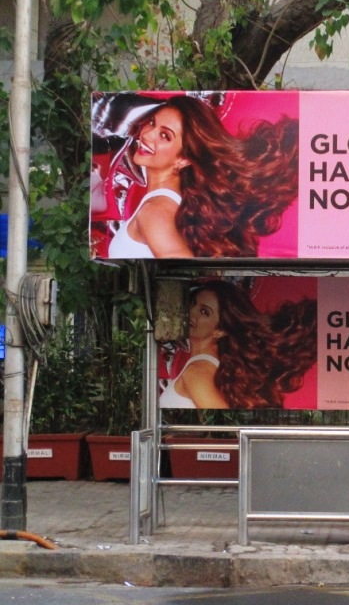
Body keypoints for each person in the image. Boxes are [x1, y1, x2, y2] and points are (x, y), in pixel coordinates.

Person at [102, 94, 299, 258]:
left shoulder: (155, 210)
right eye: (152, 123)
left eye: (165, 136)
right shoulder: (172, 204)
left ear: (183, 159)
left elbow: (181, 265)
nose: (147, 134)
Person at [159, 280, 317, 409]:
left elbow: (222, 425)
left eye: (204, 312)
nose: (191, 312)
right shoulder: (214, 366)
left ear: (220, 331)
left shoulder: (197, 371)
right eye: (193, 304)